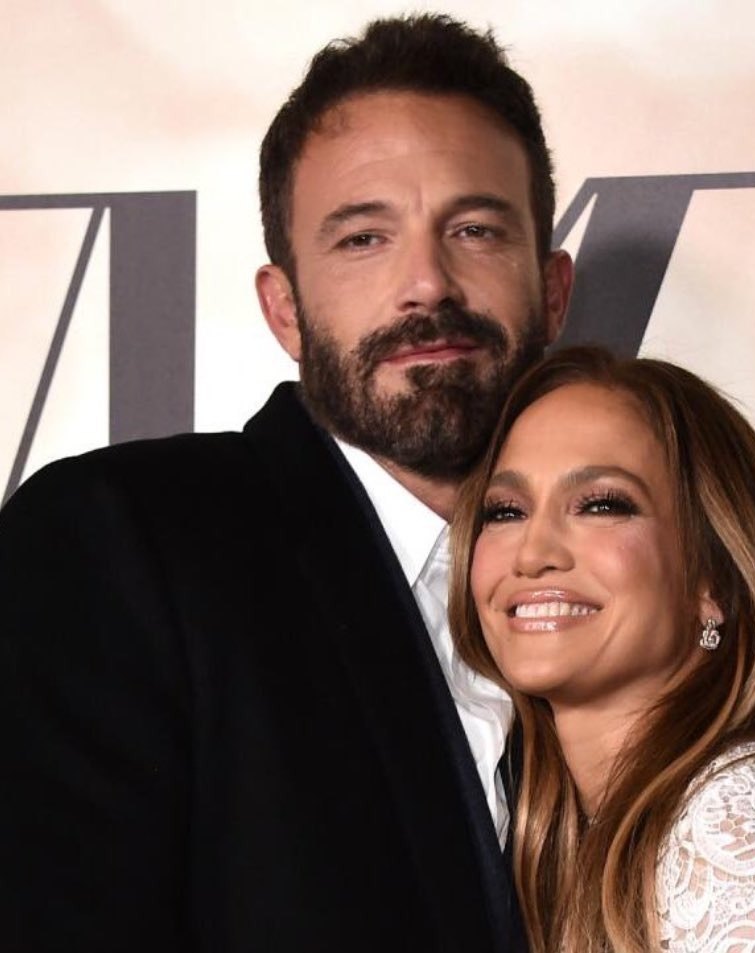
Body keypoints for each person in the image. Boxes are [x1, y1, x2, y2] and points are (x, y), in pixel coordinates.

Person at [0, 15, 572, 952]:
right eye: (362, 239)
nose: (425, 284)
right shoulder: (115, 543)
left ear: (551, 290)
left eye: (473, 228)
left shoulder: (622, 581)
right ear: (284, 309)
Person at [449, 346, 755, 952]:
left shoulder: (741, 823)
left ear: (713, 583)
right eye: (506, 510)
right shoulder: (579, 839)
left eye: (601, 504)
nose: (532, 552)